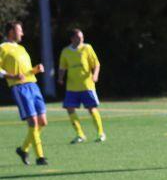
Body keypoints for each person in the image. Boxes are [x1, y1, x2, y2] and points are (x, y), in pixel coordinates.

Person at [1, 21, 48, 165]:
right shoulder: (2, 48)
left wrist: (35, 69)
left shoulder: (21, 48)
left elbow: (25, 71)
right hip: (19, 88)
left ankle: (23, 149)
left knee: (42, 122)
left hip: (33, 86)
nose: (22, 33)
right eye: (19, 30)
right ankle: (40, 157)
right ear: (11, 32)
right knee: (33, 121)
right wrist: (13, 76)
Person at [57, 28, 105, 143]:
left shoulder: (87, 48)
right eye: (79, 37)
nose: (82, 39)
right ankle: (80, 134)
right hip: (72, 87)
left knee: (91, 109)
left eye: (82, 37)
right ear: (72, 38)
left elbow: (96, 64)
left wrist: (95, 75)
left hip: (86, 85)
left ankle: (101, 133)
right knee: (70, 109)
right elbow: (62, 67)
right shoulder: (65, 51)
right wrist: (60, 78)